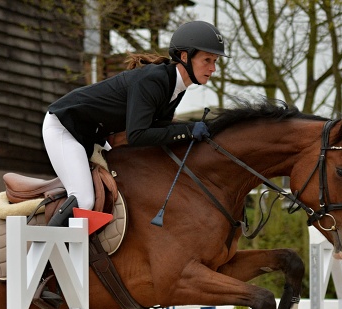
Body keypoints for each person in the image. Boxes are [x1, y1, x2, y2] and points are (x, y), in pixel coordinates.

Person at [41, 20, 226, 227]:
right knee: (84, 200)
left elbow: (159, 128)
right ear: (184, 57)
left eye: (215, 61)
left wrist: (190, 129)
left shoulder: (175, 87)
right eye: (207, 60)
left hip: (91, 136)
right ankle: (41, 247)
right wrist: (188, 130)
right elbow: (137, 134)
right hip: (65, 127)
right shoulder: (154, 80)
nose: (213, 68)